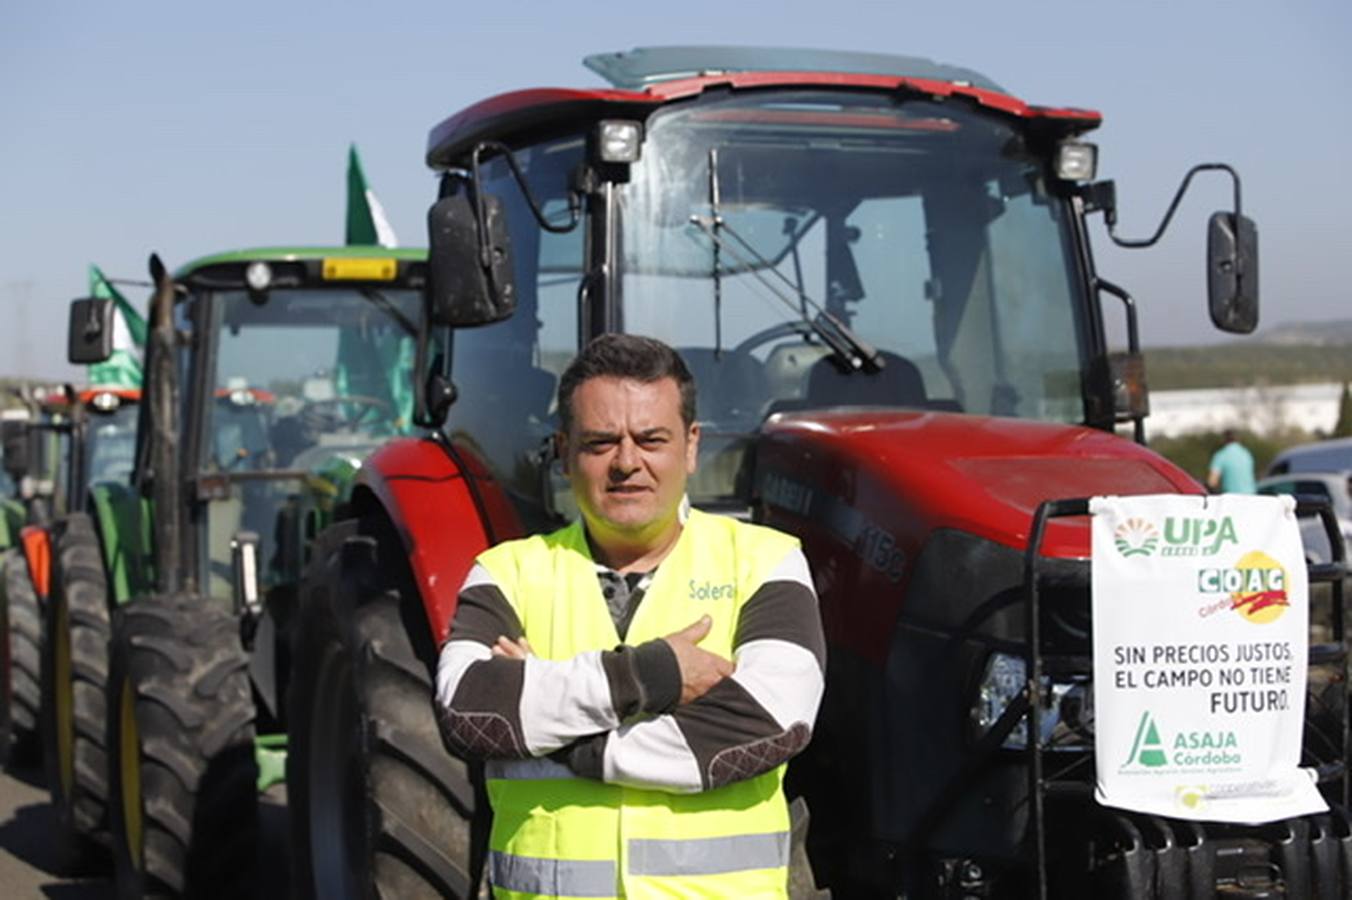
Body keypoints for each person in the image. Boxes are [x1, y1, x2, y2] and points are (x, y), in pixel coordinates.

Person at [434, 333, 826, 899]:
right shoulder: (508, 573)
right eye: (599, 443)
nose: (626, 462)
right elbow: (468, 708)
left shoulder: (766, 563)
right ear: (565, 452)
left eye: (651, 439)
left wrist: (561, 734)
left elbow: (770, 721)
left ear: (691, 446)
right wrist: (653, 676)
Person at [1208, 428, 1257, 494]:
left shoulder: (1221, 455)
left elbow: (1212, 482)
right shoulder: (1247, 454)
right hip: (1251, 496)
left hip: (1231, 498)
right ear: (1238, 439)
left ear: (1224, 439)